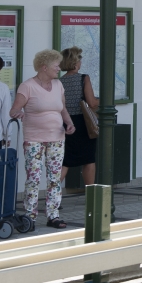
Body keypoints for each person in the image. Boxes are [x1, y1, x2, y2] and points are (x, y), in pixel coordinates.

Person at [10, 49, 74, 229]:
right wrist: (18, 113)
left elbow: (62, 108)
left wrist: (69, 123)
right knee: (34, 177)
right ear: (44, 67)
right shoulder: (27, 86)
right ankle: (30, 215)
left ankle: (53, 215)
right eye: (56, 65)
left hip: (57, 137)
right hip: (34, 139)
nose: (59, 68)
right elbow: (14, 110)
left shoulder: (58, 85)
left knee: (54, 178)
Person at [59, 47, 99, 188]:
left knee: (66, 160)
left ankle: (53, 195)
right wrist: (104, 99)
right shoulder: (83, 78)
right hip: (83, 123)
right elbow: (92, 102)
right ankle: (91, 195)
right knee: (88, 160)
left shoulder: (59, 82)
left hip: (65, 123)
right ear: (76, 62)